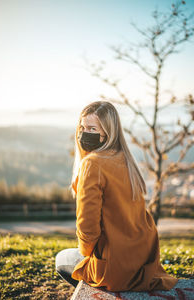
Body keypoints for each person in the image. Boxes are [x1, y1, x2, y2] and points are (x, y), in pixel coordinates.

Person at [55, 101, 179, 292]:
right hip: (142, 262)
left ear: (107, 132)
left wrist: (87, 254)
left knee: (61, 258)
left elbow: (87, 229)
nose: (84, 133)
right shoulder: (125, 159)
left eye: (92, 128)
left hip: (114, 269)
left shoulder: (92, 164)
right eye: (82, 127)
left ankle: (101, 292)